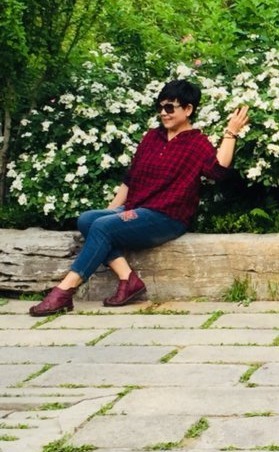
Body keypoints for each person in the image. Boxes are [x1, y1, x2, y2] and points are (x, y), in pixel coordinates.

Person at [30, 80, 249, 316]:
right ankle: (128, 279)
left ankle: (64, 292)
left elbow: (218, 170)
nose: (163, 113)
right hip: (136, 209)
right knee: (88, 220)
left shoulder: (196, 143)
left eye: (170, 107)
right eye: (160, 107)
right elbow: (130, 178)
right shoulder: (152, 137)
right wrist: (109, 214)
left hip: (167, 217)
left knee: (102, 227)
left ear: (188, 109)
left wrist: (231, 132)